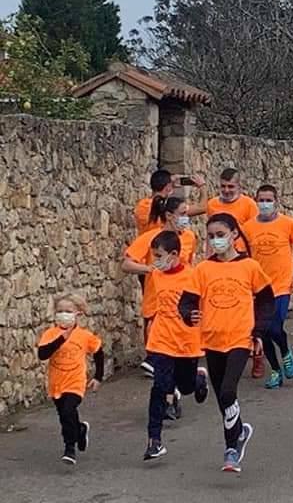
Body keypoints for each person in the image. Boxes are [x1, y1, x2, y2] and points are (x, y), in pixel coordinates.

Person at [178, 213, 275, 473]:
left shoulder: (250, 267)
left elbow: (267, 301)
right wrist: (189, 313)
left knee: (228, 391)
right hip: (211, 339)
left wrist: (259, 332)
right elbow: (186, 302)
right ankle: (240, 430)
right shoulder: (203, 269)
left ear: (234, 235)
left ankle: (231, 449)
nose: (215, 240)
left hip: (239, 339)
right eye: (210, 236)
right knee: (222, 397)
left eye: (220, 235)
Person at [138, 230, 209, 460]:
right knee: (160, 386)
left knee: (186, 387)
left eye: (159, 256)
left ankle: (199, 379)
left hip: (187, 340)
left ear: (175, 254)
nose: (156, 261)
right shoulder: (157, 275)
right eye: (153, 256)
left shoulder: (194, 276)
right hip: (162, 339)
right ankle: (154, 440)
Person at [123, 196, 198, 378]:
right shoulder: (150, 238)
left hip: (181, 303)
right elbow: (126, 264)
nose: (186, 218)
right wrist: (149, 269)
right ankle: (168, 391)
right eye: (182, 214)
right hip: (156, 302)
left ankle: (180, 384)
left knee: (176, 360)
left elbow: (190, 265)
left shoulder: (189, 237)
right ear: (169, 216)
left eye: (186, 214)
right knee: (160, 359)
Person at [242, 185, 293, 388]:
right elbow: (242, 255)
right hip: (258, 287)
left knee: (275, 326)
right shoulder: (248, 228)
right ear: (256, 201)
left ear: (276, 201)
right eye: (261, 200)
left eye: (269, 200)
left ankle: (285, 351)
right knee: (264, 330)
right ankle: (276, 370)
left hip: (282, 285)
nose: (265, 204)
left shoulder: (288, 224)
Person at [37, 293, 104, 465]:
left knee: (68, 410)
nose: (64, 314)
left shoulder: (84, 335)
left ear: (77, 314)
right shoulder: (50, 334)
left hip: (75, 382)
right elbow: (42, 354)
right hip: (56, 383)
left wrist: (98, 377)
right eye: (60, 311)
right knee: (65, 417)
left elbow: (98, 352)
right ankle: (80, 429)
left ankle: (69, 449)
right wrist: (60, 340)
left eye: (68, 311)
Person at [134, 170, 206, 235]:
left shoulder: (142, 205)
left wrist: (169, 185)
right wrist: (202, 186)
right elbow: (203, 207)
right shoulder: (169, 207)